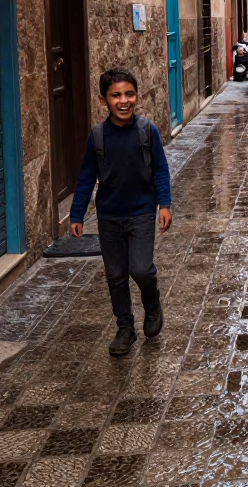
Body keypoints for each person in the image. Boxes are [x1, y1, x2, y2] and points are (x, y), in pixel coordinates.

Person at [70, 68, 172, 356]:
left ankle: (152, 304)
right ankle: (125, 328)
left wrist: (164, 205)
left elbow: (160, 170)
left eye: (129, 94)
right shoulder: (98, 136)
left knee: (140, 269)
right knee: (115, 274)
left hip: (142, 212)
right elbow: (86, 177)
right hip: (109, 216)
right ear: (104, 100)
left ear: (136, 96)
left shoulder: (147, 131)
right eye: (116, 96)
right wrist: (77, 214)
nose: (123, 101)